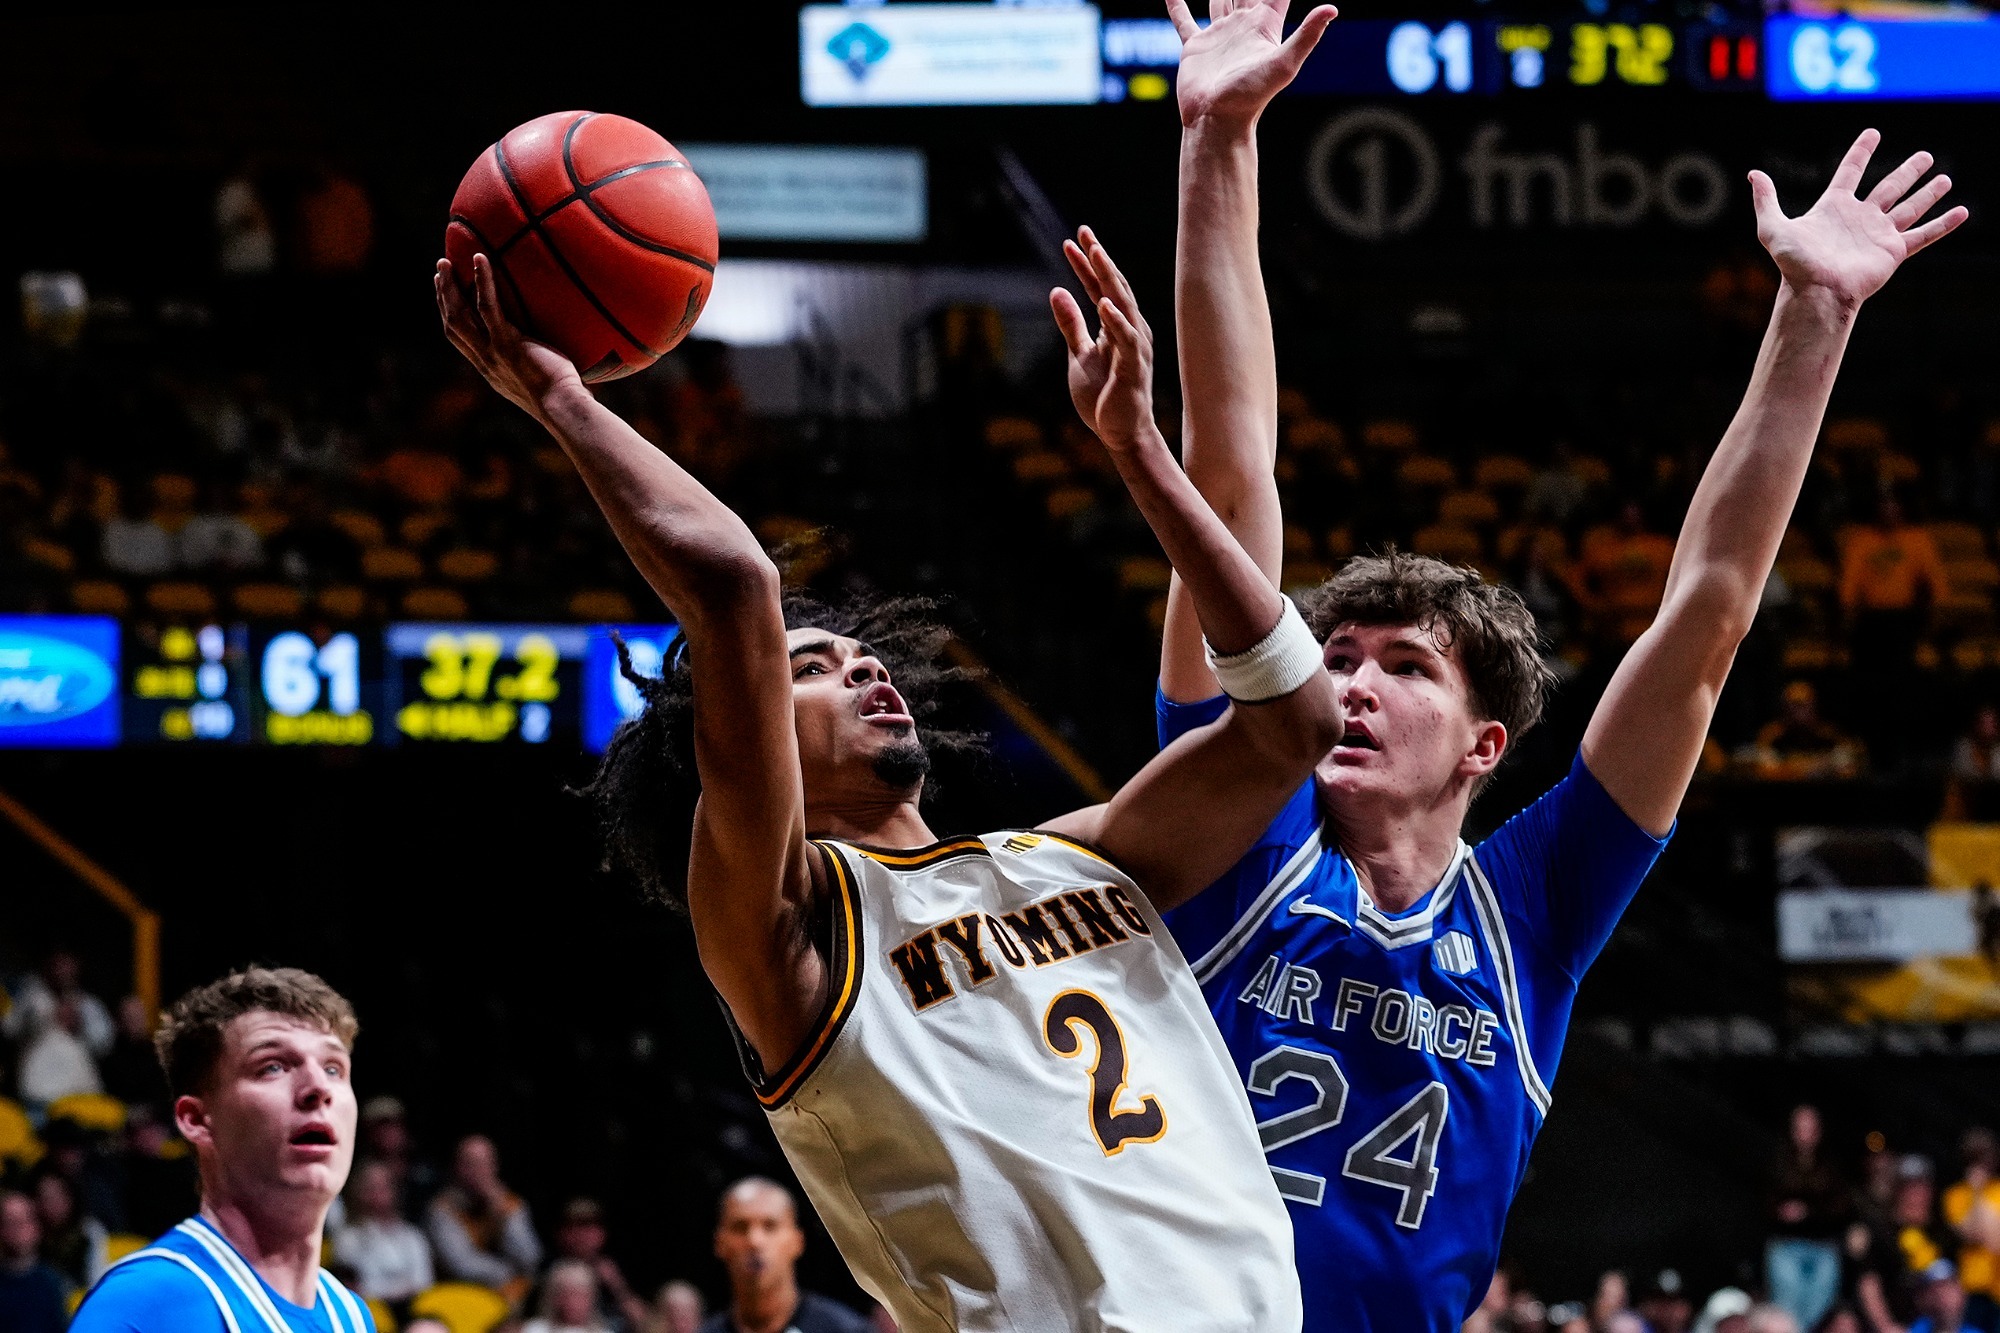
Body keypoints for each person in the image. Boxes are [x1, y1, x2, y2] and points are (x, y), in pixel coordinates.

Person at [1151, 0, 1970, 1326]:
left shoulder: (1530, 905)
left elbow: (1703, 622)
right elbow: (1231, 473)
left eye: (1404, 666)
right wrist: (1216, 140)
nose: (1351, 680)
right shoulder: (1228, 822)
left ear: (1487, 745)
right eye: (1338, 652)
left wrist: (1814, 319)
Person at [437, 177, 1340, 1328]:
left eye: (853, 655)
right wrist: (561, 397)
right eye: (807, 670)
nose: (859, 667)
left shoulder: (1073, 858)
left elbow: (1294, 726)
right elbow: (733, 587)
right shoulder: (789, 929)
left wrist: (1138, 454)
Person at [69, 966, 375, 1332]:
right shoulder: (146, 1305)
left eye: (333, 1068)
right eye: (273, 1066)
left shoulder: (352, 1317)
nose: (317, 1087)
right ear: (196, 1119)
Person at [699, 1179, 868, 1333]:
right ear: (720, 1243)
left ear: (797, 1242)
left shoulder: (846, 1329)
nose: (754, 1241)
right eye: (740, 1227)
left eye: (770, 1226)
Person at [425, 1134, 540, 1303]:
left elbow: (529, 1259)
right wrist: (508, 1273)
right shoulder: (442, 1210)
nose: (479, 1171)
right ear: (458, 1168)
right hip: (464, 1296)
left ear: (495, 1166)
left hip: (514, 1298)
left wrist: (502, 1215)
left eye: (485, 1163)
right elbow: (462, 1266)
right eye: (471, 1164)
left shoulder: (509, 1204)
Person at [1768, 1105, 1850, 1331]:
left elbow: (1841, 1205)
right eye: (1799, 1127)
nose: (1804, 1133)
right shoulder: (1777, 1162)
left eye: (1809, 1127)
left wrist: (1808, 1212)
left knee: (1818, 1317)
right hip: (1786, 1246)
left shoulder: (1832, 1165)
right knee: (1787, 1318)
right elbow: (1765, 1201)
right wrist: (1782, 1212)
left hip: (1823, 1247)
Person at [329, 1158, 433, 1307]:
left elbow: (424, 1283)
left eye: (385, 1185)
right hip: (370, 1311)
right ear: (358, 1191)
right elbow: (357, 1288)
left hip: (413, 1308)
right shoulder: (347, 1238)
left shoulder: (412, 1235)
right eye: (371, 1187)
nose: (379, 1192)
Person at [547, 1198, 648, 1333]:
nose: (581, 1234)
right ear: (562, 1233)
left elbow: (645, 1321)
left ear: (602, 1233)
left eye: (589, 1226)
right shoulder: (547, 1270)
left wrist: (617, 1286)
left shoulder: (614, 1269)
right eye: (573, 1225)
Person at [1741, 682, 1866, 780]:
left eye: (1803, 704)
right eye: (1792, 705)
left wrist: (1794, 768)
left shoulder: (1829, 735)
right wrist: (1816, 766)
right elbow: (1764, 770)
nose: (1796, 711)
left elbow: (1849, 769)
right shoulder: (1773, 735)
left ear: (1814, 706)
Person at [1944, 1131, 2000, 1333]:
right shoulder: (1955, 1195)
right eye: (1975, 1157)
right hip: (1972, 1290)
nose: (1983, 1162)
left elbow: (1995, 1241)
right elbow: (1974, 1235)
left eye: (1987, 1155)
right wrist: (1976, 1192)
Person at [0, 1189, 69, 1333]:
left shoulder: (51, 1282)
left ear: (36, 1227)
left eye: (23, 1222)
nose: (18, 1230)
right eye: (11, 1222)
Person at [525, 1259, 613, 1333]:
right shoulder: (535, 1329)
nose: (573, 1302)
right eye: (567, 1294)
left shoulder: (604, 1331)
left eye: (580, 1295)